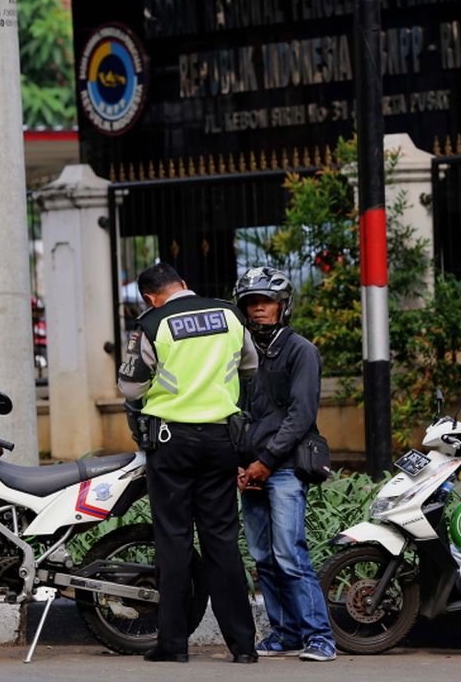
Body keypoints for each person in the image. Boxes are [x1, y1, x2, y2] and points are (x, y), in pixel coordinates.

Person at [117, 262, 259, 663]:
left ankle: (173, 645)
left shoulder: (152, 323)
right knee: (222, 543)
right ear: (184, 283)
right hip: (220, 440)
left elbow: (130, 386)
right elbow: (250, 366)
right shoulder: (229, 314)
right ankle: (243, 647)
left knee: (174, 542)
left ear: (150, 296)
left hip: (172, 443)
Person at [233, 267, 337, 662]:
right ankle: (284, 634)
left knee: (290, 554)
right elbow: (234, 411)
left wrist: (266, 461)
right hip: (250, 468)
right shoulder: (240, 355)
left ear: (282, 305)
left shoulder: (301, 351)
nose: (258, 308)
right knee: (262, 556)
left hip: (286, 467)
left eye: (266, 301)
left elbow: (301, 414)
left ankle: (320, 637)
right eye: (251, 303)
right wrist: (240, 463)